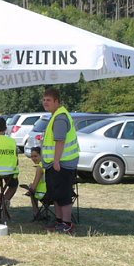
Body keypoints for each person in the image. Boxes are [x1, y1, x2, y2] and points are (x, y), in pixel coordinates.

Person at [41, 88, 79, 234]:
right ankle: (58, 221)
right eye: (44, 100)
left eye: (49, 100)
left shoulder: (60, 118)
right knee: (56, 194)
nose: (45, 102)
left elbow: (60, 141)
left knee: (63, 194)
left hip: (62, 163)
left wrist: (56, 161)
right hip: (55, 163)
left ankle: (67, 223)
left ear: (57, 101)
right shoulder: (55, 115)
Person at [22, 146, 49, 219]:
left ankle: (36, 213)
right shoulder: (49, 164)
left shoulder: (40, 167)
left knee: (31, 190)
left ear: (41, 155)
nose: (33, 158)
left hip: (44, 194)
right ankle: (45, 212)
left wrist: (29, 190)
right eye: (32, 156)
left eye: (35, 156)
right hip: (54, 192)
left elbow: (34, 186)